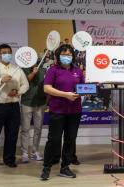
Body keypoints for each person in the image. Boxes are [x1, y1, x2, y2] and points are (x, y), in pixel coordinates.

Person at [40, 44, 84, 180]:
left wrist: (87, 91)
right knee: (54, 140)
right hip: (57, 111)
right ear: (58, 56)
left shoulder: (78, 71)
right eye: (64, 54)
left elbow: (83, 87)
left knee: (70, 140)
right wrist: (65, 95)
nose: (67, 57)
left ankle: (65, 167)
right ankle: (46, 167)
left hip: (74, 111)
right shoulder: (53, 70)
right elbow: (46, 88)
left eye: (69, 54)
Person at [0, 44, 29, 167]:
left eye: (9, 52)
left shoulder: (17, 69)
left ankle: (9, 159)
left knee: (12, 134)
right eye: (4, 52)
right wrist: (0, 80)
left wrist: (18, 92)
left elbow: (25, 85)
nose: (7, 55)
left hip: (14, 106)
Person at [20, 61, 47, 163]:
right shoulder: (23, 70)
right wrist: (33, 73)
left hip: (40, 103)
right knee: (25, 129)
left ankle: (35, 151)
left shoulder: (43, 70)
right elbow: (26, 81)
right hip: (26, 102)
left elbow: (46, 85)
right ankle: (24, 153)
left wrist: (46, 100)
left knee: (38, 129)